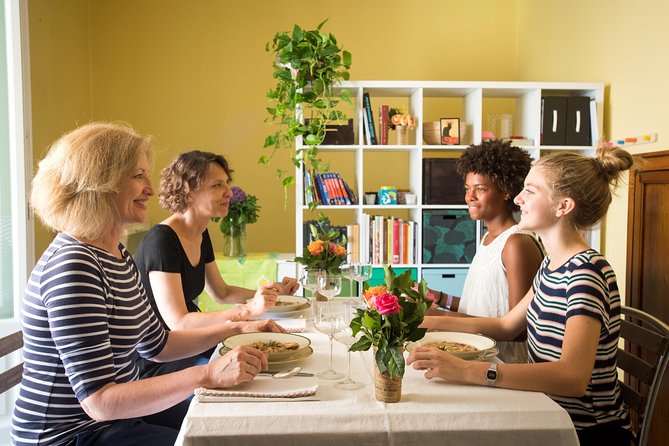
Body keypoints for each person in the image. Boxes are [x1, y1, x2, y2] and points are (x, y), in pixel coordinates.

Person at [11, 123, 283, 446]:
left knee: (236, 421)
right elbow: (99, 402)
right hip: (73, 436)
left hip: (116, 421)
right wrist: (208, 374)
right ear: (102, 183)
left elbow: (158, 345)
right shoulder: (75, 264)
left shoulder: (117, 254)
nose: (152, 188)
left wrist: (236, 329)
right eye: (138, 175)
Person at [409, 146, 634, 446]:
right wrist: (430, 322)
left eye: (530, 190)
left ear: (563, 206)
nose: (517, 198)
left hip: (583, 432)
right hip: (544, 411)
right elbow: (506, 326)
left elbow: (572, 378)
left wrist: (466, 369)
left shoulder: (585, 273)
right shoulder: (551, 266)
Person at [133, 151, 298, 376]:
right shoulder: (161, 240)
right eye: (217, 185)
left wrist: (273, 294)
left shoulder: (200, 232)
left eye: (227, 184)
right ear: (188, 191)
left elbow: (222, 292)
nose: (228, 192)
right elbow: (179, 323)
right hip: (162, 359)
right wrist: (248, 310)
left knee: (276, 358)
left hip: (193, 344)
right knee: (254, 369)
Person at [429, 140, 544, 318]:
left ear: (506, 191)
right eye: (467, 189)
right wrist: (441, 298)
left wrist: (437, 317)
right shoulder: (488, 239)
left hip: (499, 347)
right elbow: (479, 307)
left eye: (480, 189)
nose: (470, 197)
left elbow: (518, 328)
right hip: (477, 344)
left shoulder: (516, 243)